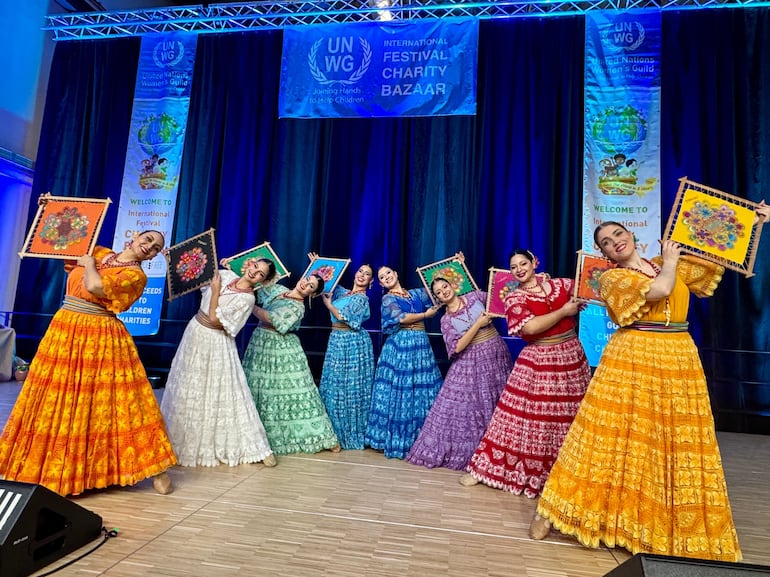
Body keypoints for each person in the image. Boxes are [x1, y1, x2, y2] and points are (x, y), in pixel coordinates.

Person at [532, 208, 769, 560]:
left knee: (670, 440)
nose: (615, 242)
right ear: (605, 254)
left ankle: (657, 524)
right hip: (632, 355)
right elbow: (658, 290)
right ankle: (553, 510)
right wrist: (671, 260)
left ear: (632, 235)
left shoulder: (663, 260)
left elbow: (719, 249)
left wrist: (755, 222)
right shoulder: (614, 280)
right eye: (606, 243)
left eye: (617, 234)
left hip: (677, 355)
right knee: (606, 436)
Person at [0, 230, 177, 496]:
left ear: (153, 257)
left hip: (101, 336)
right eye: (148, 239)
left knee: (123, 403)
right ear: (133, 238)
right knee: (53, 398)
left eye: (155, 248)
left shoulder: (136, 276)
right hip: (65, 326)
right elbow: (60, 243)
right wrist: (50, 215)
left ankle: (155, 468)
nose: (149, 247)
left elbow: (95, 287)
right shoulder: (101, 251)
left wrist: (90, 264)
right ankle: (50, 465)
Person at [460, 249, 590, 497]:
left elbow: (590, 288)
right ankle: (490, 469)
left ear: (535, 263)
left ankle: (566, 471)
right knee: (518, 417)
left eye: (523, 263)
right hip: (538, 360)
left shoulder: (562, 284)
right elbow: (529, 327)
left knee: (568, 415)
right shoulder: (514, 298)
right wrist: (564, 311)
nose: (519, 269)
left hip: (571, 355)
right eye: (514, 267)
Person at [160, 258, 278, 467]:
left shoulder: (247, 299)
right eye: (255, 267)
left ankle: (253, 446)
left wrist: (215, 291)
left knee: (221, 391)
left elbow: (216, 320)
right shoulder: (226, 275)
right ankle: (176, 441)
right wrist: (176, 261)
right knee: (189, 386)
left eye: (260, 273)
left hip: (216, 341)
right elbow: (194, 276)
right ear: (249, 264)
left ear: (262, 280)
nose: (254, 272)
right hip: (195, 333)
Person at [406, 275, 511, 470]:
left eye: (445, 287)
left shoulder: (474, 297)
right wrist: (478, 324)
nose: (443, 292)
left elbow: (499, 297)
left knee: (498, 399)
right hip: (472, 359)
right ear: (437, 298)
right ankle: (480, 452)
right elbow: (456, 347)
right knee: (477, 406)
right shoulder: (446, 320)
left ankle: (500, 447)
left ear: (452, 285)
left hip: (496, 352)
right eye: (438, 292)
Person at [242, 273, 340, 455]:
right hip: (261, 341)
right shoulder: (280, 290)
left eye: (311, 286)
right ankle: (254, 435)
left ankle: (320, 436)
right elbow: (260, 285)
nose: (306, 284)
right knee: (259, 388)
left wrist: (249, 305)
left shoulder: (297, 307)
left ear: (312, 294)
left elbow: (271, 318)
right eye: (307, 279)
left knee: (291, 392)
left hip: (281, 349)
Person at [365, 266, 443, 459]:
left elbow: (439, 289)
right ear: (382, 284)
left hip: (420, 344)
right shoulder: (388, 298)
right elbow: (401, 318)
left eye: (389, 273)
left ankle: (424, 438)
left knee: (421, 389)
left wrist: (454, 267)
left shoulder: (416, 294)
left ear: (396, 273)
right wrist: (425, 315)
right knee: (402, 389)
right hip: (400, 346)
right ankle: (400, 439)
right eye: (382, 277)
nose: (386, 277)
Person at [318, 263, 376, 450]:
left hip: (352, 342)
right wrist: (317, 265)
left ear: (370, 281)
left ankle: (350, 432)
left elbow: (343, 317)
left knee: (350, 387)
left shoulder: (362, 299)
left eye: (367, 274)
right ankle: (331, 432)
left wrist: (327, 304)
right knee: (334, 385)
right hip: (336, 340)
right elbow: (324, 284)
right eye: (360, 271)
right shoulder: (343, 292)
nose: (362, 275)